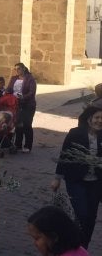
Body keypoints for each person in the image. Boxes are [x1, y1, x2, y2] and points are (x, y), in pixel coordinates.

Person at [51, 105, 102, 248]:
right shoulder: (75, 134)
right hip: (76, 180)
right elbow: (65, 155)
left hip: (96, 182)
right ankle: (73, 242)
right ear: (89, 118)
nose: (100, 121)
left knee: (91, 217)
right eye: (97, 117)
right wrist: (57, 178)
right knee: (82, 214)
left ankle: (83, 246)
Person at [6, 62, 37, 152]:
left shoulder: (30, 79)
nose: (17, 70)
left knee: (27, 124)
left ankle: (27, 145)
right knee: (18, 124)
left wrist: (23, 97)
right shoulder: (14, 78)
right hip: (16, 104)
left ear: (23, 69)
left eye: (18, 68)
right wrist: (5, 92)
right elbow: (9, 89)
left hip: (28, 105)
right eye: (15, 69)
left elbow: (32, 92)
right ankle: (18, 144)